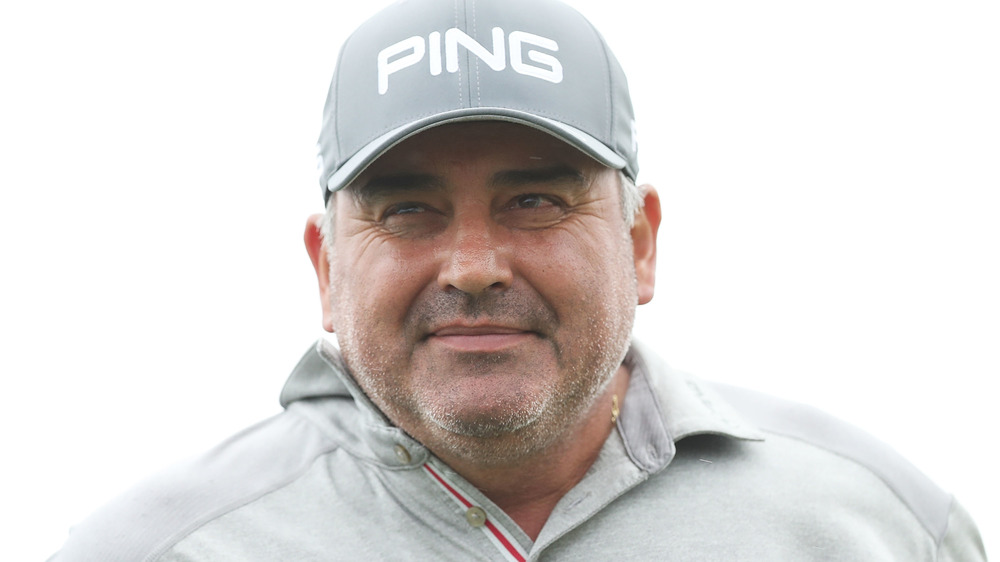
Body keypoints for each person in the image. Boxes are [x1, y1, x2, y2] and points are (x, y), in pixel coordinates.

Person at [51, 0, 986, 560]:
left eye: (535, 199)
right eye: (407, 209)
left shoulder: (878, 523)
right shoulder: (150, 551)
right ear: (327, 269)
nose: (472, 267)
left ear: (641, 242)